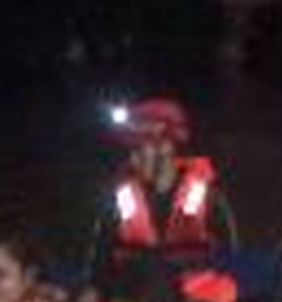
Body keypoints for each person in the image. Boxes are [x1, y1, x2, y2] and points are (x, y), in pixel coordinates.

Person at [88, 97, 238, 292]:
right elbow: (100, 260)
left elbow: (232, 260)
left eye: (144, 146)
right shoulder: (119, 199)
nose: (135, 156)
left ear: (169, 148)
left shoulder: (207, 196)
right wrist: (94, 293)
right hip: (136, 299)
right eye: (133, 148)